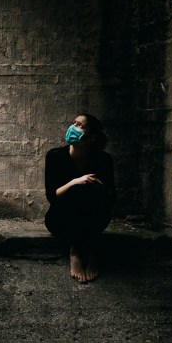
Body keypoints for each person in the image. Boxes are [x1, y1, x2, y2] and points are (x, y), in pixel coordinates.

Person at [44, 113, 114, 283]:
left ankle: (91, 254)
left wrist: (99, 186)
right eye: (73, 123)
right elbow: (52, 196)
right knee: (76, 188)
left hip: (92, 220)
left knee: (90, 189)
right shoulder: (55, 156)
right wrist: (74, 182)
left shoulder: (103, 159)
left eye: (79, 125)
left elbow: (111, 197)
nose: (72, 128)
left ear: (91, 137)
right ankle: (75, 252)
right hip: (60, 219)